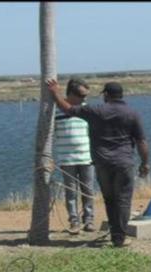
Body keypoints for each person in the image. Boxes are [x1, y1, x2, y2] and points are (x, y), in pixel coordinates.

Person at [45, 79, 149, 247]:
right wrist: (145, 164)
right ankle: (119, 237)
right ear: (121, 95)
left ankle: (115, 233)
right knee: (123, 200)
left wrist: (55, 91)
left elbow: (67, 109)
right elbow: (142, 142)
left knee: (109, 199)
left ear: (106, 95)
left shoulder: (96, 110)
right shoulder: (132, 113)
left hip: (102, 164)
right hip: (124, 163)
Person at [54, 78, 96, 234]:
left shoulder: (87, 110)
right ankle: (74, 222)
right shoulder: (56, 110)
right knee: (70, 193)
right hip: (67, 159)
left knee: (88, 191)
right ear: (71, 94)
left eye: (86, 96)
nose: (84, 99)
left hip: (87, 158)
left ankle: (89, 220)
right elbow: (51, 135)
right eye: (81, 95)